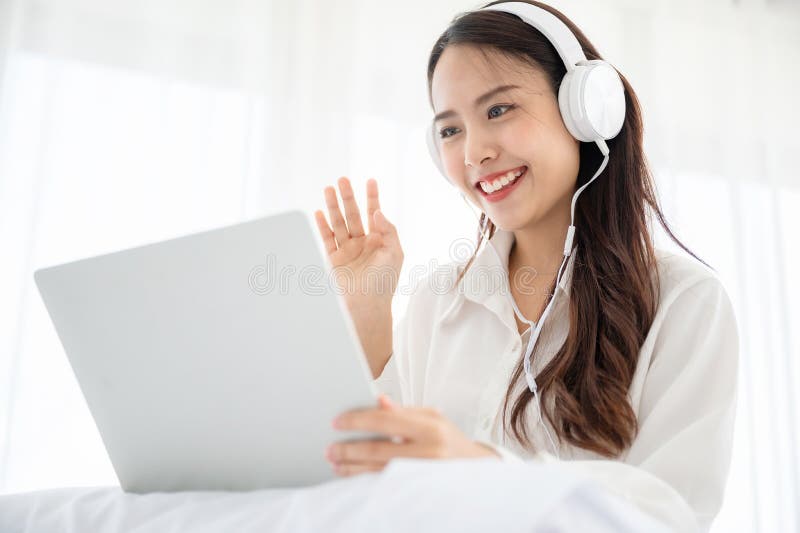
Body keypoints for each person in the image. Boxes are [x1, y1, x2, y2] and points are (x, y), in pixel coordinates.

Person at [313, 2, 738, 531]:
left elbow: (671, 514)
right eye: (450, 130)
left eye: (498, 111)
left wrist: (486, 471)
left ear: (584, 108)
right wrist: (368, 314)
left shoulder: (685, 303)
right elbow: (383, 490)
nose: (474, 152)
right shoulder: (439, 299)